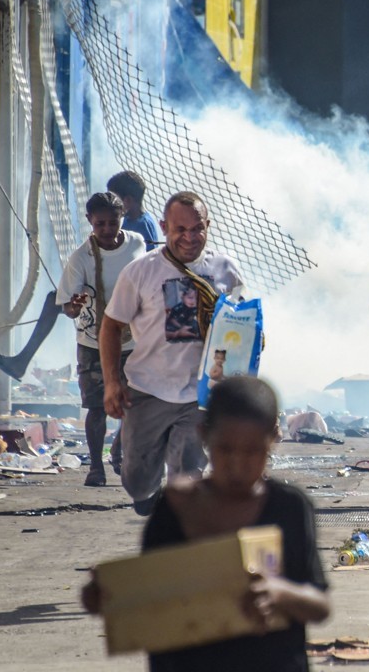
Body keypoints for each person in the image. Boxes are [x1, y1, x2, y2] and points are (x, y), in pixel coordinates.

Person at [82, 377, 330, 671]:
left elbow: (319, 605)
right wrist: (104, 596)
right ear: (203, 436)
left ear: (273, 440)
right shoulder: (175, 506)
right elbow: (147, 594)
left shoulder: (289, 507)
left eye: (253, 452)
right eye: (225, 449)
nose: (238, 464)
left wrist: (279, 593)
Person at [101, 191, 245, 515]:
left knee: (187, 477)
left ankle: (178, 535)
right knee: (136, 479)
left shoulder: (225, 269)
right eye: (180, 230)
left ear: (208, 226)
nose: (189, 238)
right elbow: (110, 327)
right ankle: (144, 493)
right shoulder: (140, 272)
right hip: (148, 389)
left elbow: (240, 325)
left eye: (197, 229)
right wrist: (112, 383)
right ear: (164, 227)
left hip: (200, 394)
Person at [57, 192, 145, 487]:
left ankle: (118, 450)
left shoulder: (137, 244)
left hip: (133, 340)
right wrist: (76, 304)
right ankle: (96, 466)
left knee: (134, 402)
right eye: (100, 224)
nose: (107, 230)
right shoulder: (80, 258)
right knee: (97, 406)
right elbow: (68, 309)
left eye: (113, 222)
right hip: (93, 342)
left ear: (122, 219)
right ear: (89, 222)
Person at [108, 170, 161, 249]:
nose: (111, 204)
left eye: (114, 199)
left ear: (128, 200)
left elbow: (150, 256)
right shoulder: (127, 218)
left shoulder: (143, 225)